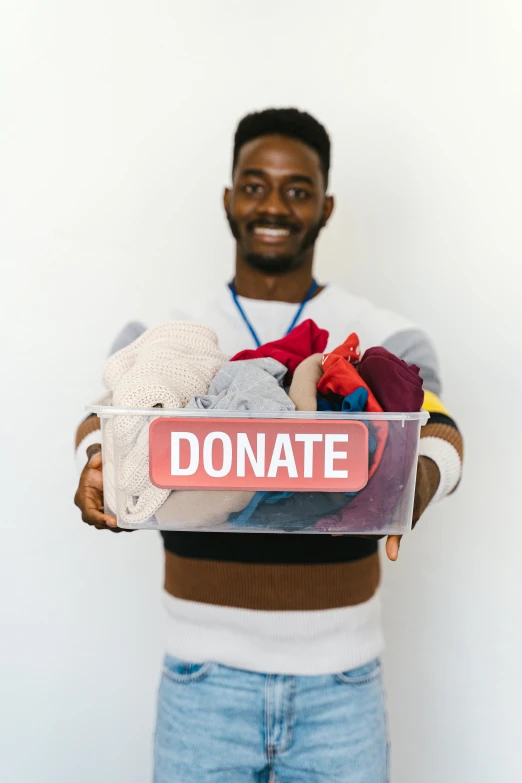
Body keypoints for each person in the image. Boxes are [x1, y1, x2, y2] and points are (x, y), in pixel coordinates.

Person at [74, 108, 463, 783]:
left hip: (342, 687)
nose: (273, 205)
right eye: (255, 185)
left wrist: (414, 481)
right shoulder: (168, 333)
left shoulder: (386, 335)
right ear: (229, 198)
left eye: (297, 188)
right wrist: (97, 469)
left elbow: (439, 430)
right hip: (202, 683)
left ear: (326, 205)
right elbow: (104, 421)